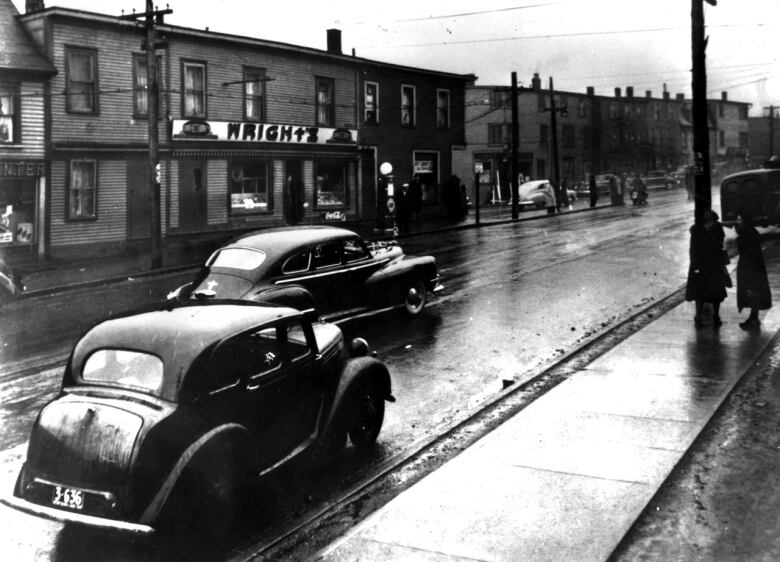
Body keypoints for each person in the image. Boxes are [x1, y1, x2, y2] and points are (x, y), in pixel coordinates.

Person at [685, 209, 729, 327]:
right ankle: (709, 315)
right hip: (709, 265)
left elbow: (693, 250)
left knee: (705, 293)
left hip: (706, 265)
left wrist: (695, 265)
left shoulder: (702, 230)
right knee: (710, 293)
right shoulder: (706, 229)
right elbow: (694, 249)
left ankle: (703, 316)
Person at [735, 211, 772, 330]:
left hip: (750, 269)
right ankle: (753, 317)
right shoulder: (751, 232)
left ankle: (754, 319)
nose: (737, 222)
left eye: (740, 220)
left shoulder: (747, 234)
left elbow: (746, 251)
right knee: (754, 293)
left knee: (752, 292)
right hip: (754, 267)